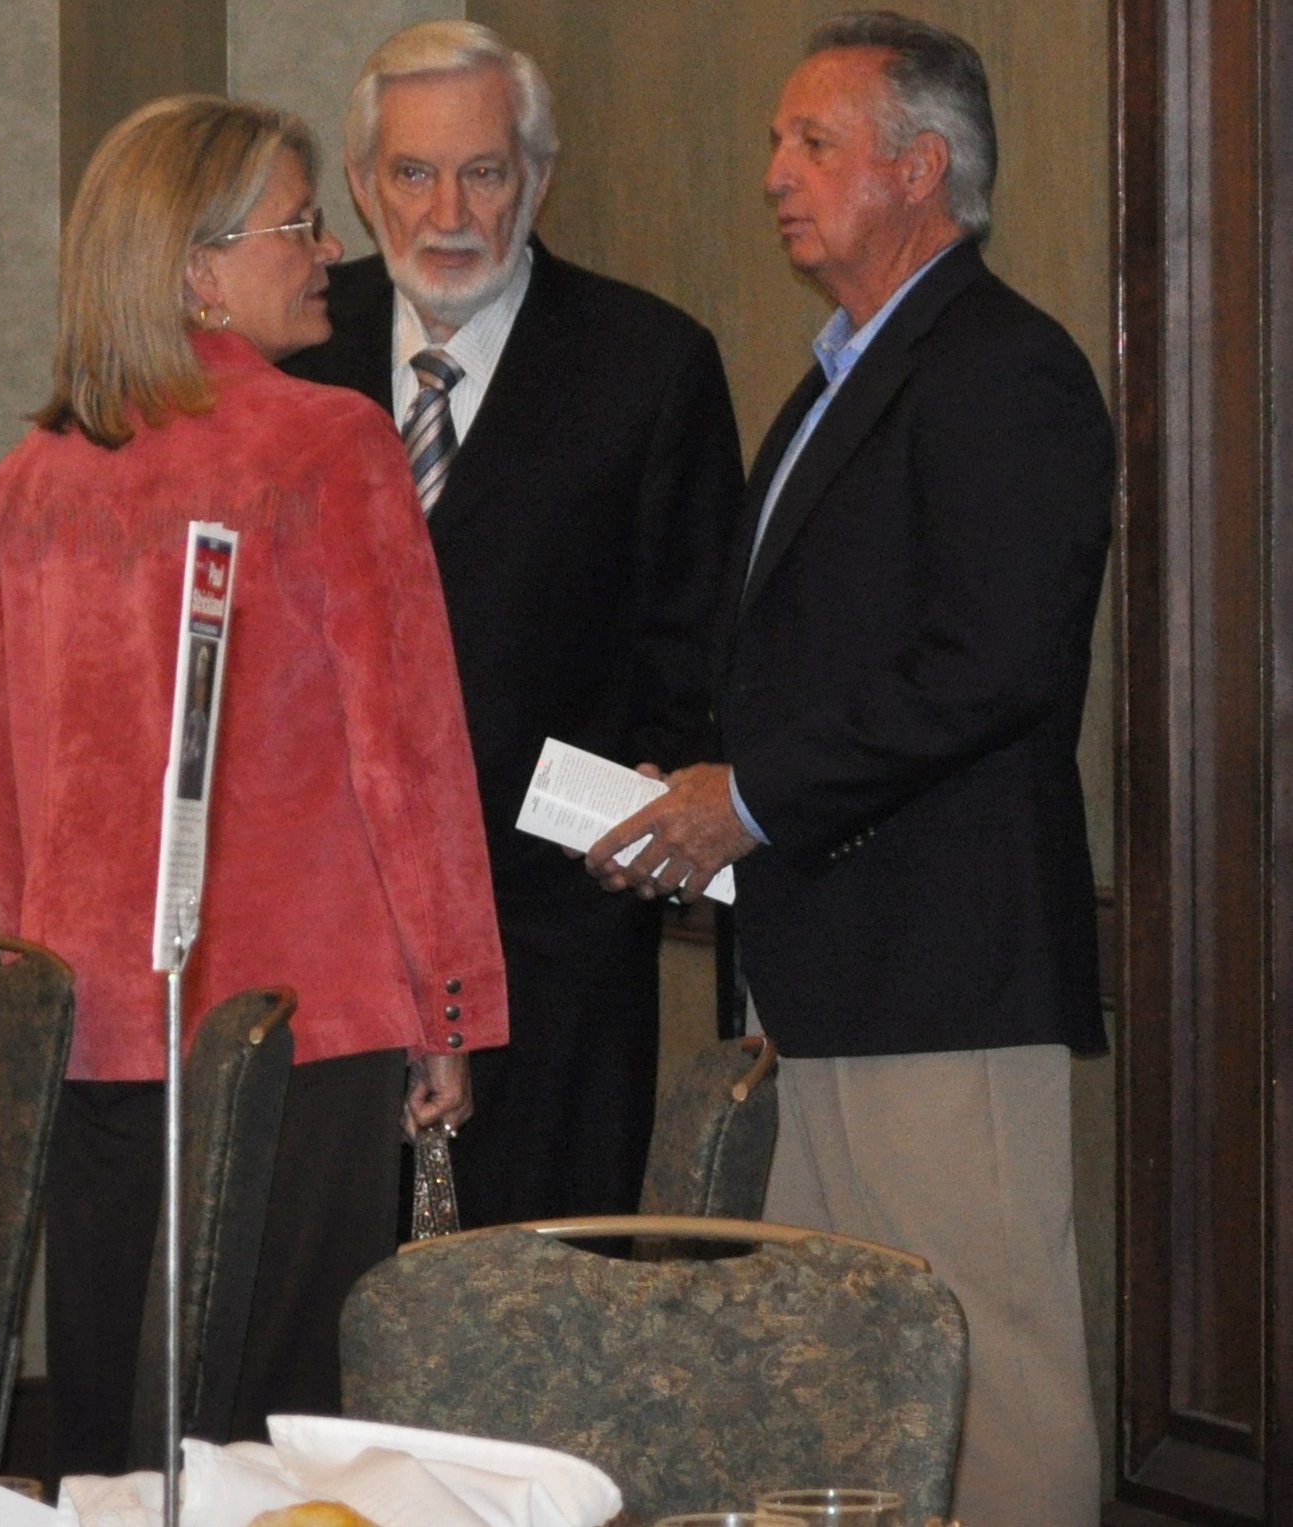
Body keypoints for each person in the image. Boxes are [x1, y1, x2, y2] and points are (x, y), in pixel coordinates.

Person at [587, 13, 1112, 1526]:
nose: (774, 173)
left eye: (813, 143)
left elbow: (997, 661)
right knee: (837, 1383)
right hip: (820, 967)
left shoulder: (1002, 366)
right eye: (776, 142)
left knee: (986, 1373)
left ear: (921, 168)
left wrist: (750, 798)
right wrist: (700, 782)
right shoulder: (840, 374)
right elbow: (813, 660)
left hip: (941, 973)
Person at [0, 95, 506, 1484]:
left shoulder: (29, 479)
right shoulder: (328, 445)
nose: (329, 250)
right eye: (300, 224)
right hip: (298, 1030)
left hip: (92, 1034)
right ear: (197, 264)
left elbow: (8, 791)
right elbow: (410, 759)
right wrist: (449, 1009)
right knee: (275, 1446)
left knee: (118, 1438)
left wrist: (48, 997)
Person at [284, 21, 743, 1230]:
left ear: (537, 179)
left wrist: (643, 821)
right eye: (412, 173)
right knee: (322, 1316)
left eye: (483, 172)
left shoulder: (648, 365)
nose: (447, 213)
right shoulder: (290, 356)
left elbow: (690, 662)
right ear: (361, 184)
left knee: (532, 1310)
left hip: (552, 965)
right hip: (320, 962)